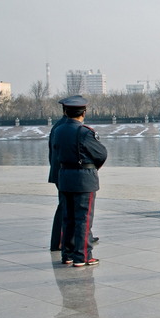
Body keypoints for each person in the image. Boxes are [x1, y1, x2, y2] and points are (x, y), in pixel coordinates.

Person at [53, 95, 107, 267]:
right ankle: (82, 256)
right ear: (83, 112)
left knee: (67, 218)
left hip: (65, 177)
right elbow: (101, 154)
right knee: (83, 218)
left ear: (65, 112)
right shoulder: (84, 132)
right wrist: (91, 166)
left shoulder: (58, 130)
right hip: (83, 179)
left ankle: (67, 254)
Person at [48, 106, 71, 251]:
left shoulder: (59, 126)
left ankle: (83, 236)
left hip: (60, 172)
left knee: (70, 207)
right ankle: (58, 241)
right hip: (67, 173)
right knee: (65, 207)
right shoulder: (66, 128)